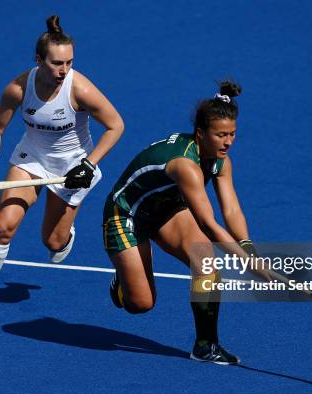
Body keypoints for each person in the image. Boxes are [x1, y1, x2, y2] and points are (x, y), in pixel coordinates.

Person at [0, 15, 124, 318]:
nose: (64, 71)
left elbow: (116, 125)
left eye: (69, 63)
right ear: (38, 60)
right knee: (2, 225)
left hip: (73, 168)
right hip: (32, 158)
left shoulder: (80, 89)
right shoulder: (18, 89)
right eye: (57, 63)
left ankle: (65, 235)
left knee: (53, 242)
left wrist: (89, 164)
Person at [102, 80, 258, 364]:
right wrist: (249, 264)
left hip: (165, 210)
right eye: (221, 135)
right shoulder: (186, 165)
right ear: (200, 133)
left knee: (206, 260)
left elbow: (231, 210)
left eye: (233, 134)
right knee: (141, 304)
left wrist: (248, 247)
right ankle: (123, 280)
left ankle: (205, 346)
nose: (228, 142)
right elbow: (209, 224)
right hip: (126, 215)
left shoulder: (221, 160)